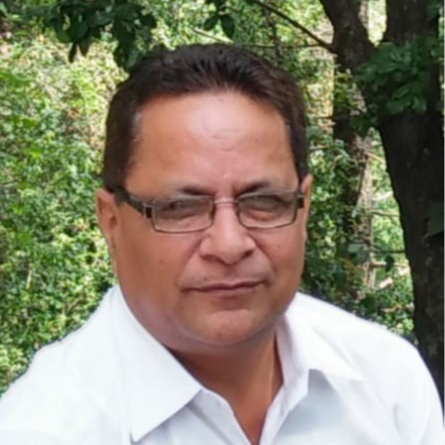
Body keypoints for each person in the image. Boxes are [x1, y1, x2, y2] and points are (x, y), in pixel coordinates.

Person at [0, 44, 443, 445]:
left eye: (263, 202)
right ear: (111, 221)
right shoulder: (46, 429)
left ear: (303, 208)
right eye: (180, 208)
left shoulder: (384, 384)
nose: (229, 245)